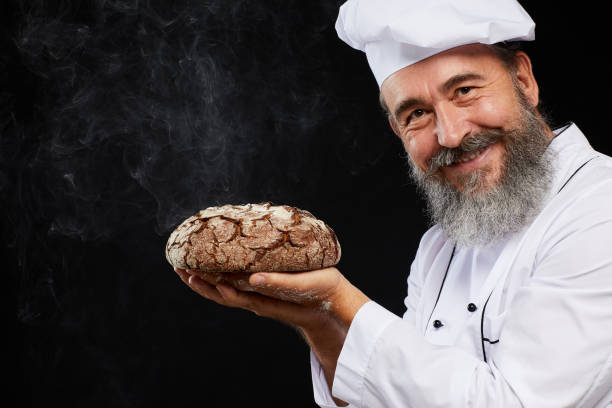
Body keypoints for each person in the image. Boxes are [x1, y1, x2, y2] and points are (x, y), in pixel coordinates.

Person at [174, 0, 612, 406]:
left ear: (523, 81)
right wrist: (317, 319)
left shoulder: (599, 208)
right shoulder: (440, 247)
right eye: (416, 114)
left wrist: (341, 302)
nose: (451, 134)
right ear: (397, 132)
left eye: (464, 90)